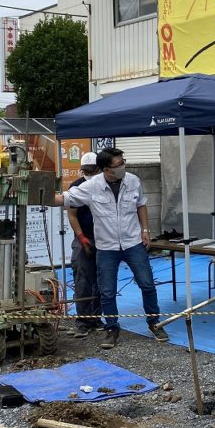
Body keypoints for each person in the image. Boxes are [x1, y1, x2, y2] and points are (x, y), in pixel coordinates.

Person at [58, 147, 168, 349]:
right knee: (106, 290)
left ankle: (155, 323)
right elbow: (65, 199)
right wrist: (34, 193)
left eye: (122, 162)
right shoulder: (92, 186)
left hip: (133, 242)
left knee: (147, 284)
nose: (122, 166)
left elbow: (141, 205)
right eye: (118, 164)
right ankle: (111, 328)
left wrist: (145, 229)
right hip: (106, 247)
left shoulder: (133, 181)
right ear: (106, 169)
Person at [67, 152, 102, 337]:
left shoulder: (105, 185)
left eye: (91, 170)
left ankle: (97, 318)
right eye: (85, 170)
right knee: (82, 279)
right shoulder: (77, 186)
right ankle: (83, 320)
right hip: (83, 238)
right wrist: (81, 237)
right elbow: (72, 214)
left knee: (103, 281)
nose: (88, 173)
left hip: (105, 239)